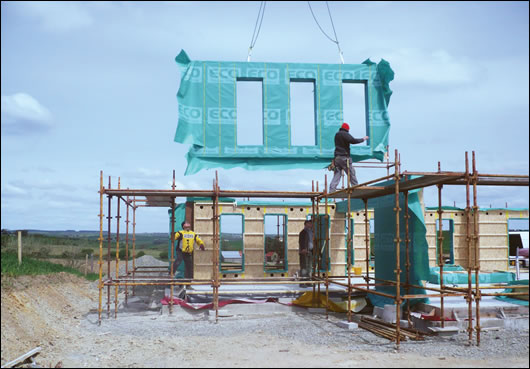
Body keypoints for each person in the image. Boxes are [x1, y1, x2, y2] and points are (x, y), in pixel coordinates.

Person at [329, 122, 369, 193]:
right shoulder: (344, 134)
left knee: (337, 175)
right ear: (347, 129)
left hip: (337, 158)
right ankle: (356, 188)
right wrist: (363, 139)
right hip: (344, 158)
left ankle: (331, 190)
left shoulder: (337, 134)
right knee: (351, 172)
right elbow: (353, 140)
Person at [172, 221, 205, 287]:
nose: (187, 224)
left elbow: (198, 239)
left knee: (189, 266)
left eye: (188, 223)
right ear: (183, 226)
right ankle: (171, 274)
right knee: (178, 261)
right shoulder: (180, 233)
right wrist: (173, 234)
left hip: (188, 252)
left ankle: (188, 281)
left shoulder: (193, 233)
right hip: (180, 251)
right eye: (186, 223)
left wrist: (201, 244)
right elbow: (173, 238)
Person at [298, 220, 313, 287]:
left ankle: (308, 282)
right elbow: (301, 241)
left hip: (310, 251)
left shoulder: (311, 232)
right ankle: (302, 282)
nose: (310, 224)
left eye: (311, 223)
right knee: (304, 267)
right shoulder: (303, 232)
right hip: (304, 252)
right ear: (305, 224)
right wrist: (303, 249)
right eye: (309, 223)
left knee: (309, 267)